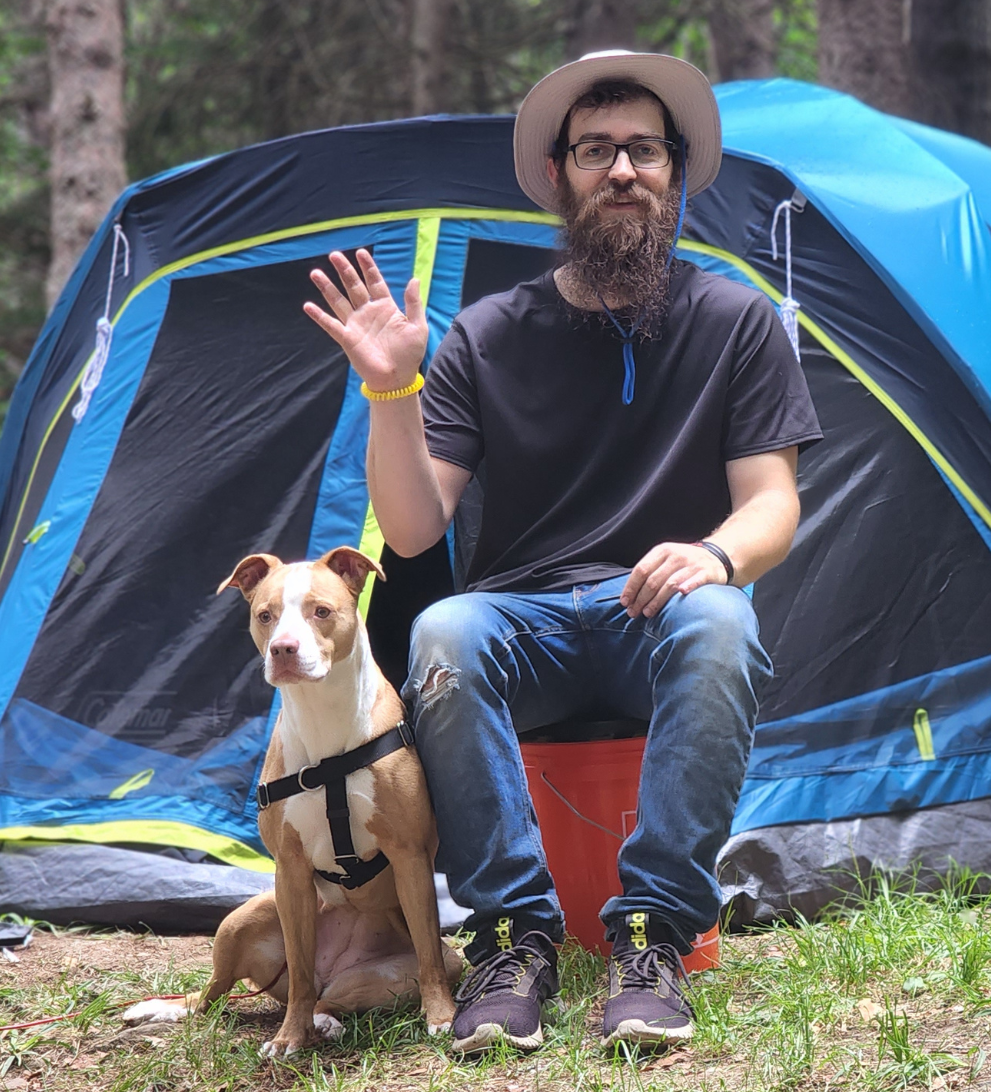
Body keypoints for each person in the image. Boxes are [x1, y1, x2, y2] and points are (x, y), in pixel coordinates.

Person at [300, 50, 820, 1055]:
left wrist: (712, 556)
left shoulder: (735, 321)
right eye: (595, 151)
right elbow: (412, 532)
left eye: (643, 151)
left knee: (721, 618)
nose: (622, 170)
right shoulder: (489, 334)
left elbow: (772, 506)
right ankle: (510, 940)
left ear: (676, 174)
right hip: (524, 622)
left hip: (658, 620)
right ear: (557, 176)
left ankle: (655, 937)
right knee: (445, 624)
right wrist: (390, 392)